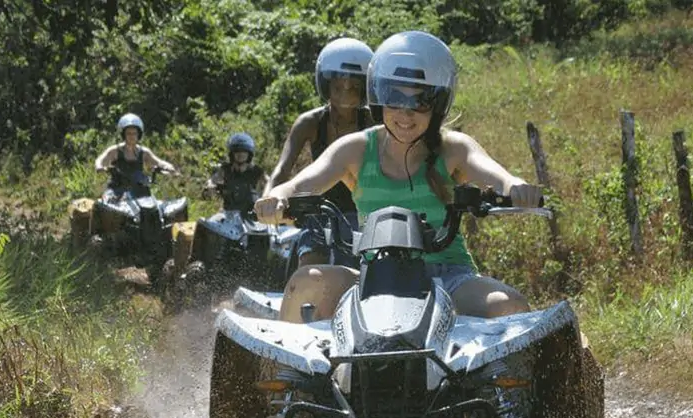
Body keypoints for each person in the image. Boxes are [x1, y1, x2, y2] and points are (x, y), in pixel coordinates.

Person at [254, 31, 542, 323]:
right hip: (374, 275)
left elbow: (497, 175)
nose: (405, 113)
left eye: (420, 100)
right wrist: (278, 197)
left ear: (439, 103)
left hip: (449, 278)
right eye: (394, 98)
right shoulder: (355, 148)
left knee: (509, 306)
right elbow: (301, 182)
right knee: (305, 282)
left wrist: (515, 187)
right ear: (379, 99)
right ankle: (282, 370)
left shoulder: (454, 147)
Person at [264, 37, 374, 267]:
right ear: (325, 84)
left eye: (354, 86)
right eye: (338, 86)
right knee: (310, 267)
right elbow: (283, 169)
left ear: (365, 88)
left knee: (359, 272)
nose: (346, 92)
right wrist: (269, 198)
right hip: (318, 211)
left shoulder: (374, 122)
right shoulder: (310, 122)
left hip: (364, 211)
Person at [94, 113, 178, 201]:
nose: (132, 136)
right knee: (107, 205)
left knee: (153, 209)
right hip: (117, 190)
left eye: (134, 133)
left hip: (139, 191)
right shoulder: (115, 150)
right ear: (123, 135)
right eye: (129, 133)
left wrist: (169, 167)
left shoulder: (144, 152)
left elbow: (158, 162)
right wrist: (99, 166)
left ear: (139, 135)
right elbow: (101, 159)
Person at [197, 132, 269, 233]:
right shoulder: (225, 170)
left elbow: (270, 183)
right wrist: (210, 186)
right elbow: (212, 181)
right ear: (232, 154)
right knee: (210, 226)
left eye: (244, 151)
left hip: (251, 216)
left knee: (266, 231)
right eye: (237, 151)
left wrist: (267, 196)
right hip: (228, 214)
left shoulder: (256, 171)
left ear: (249, 154)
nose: (240, 154)